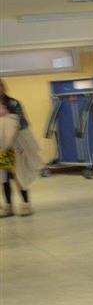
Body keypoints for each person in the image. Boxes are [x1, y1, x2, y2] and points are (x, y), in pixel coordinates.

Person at [0, 79, 36, 217]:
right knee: (4, 178)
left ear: (3, 88)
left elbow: (21, 123)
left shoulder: (13, 103)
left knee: (19, 175)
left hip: (16, 144)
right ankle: (8, 206)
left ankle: (26, 205)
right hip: (1, 147)